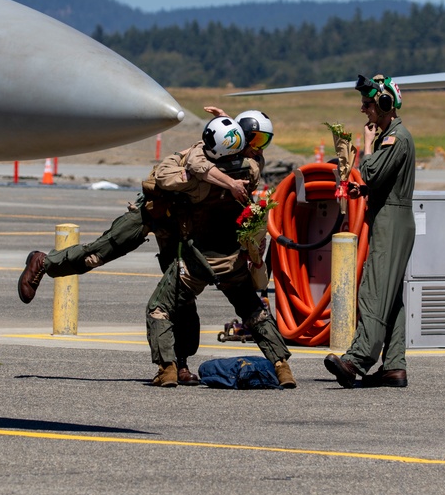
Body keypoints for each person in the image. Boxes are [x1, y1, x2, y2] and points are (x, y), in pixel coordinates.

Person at [16, 115, 257, 386]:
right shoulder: (200, 153)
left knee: (181, 294)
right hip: (150, 214)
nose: (252, 150)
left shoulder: (236, 163)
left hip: (181, 227)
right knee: (97, 254)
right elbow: (195, 169)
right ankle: (44, 262)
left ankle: (180, 363)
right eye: (252, 142)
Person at [145, 117, 297, 389]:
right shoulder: (250, 171)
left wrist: (193, 149)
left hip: (198, 261)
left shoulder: (195, 181)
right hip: (234, 259)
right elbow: (250, 155)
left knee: (159, 309)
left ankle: (167, 368)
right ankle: (282, 367)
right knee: (253, 311)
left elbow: (164, 176)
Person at [324, 74, 416, 388]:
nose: (364, 110)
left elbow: (372, 172)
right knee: (391, 298)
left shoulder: (395, 139)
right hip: (390, 217)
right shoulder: (392, 137)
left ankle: (357, 359)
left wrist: (365, 146)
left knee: (375, 291)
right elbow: (376, 184)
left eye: (368, 104)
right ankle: (394, 366)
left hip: (392, 221)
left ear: (384, 104)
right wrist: (361, 193)